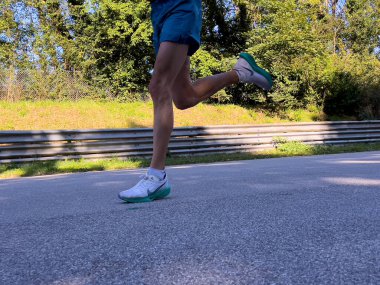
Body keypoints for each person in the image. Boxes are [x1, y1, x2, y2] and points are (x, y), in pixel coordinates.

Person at [118, 0, 273, 203]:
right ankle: (242, 72)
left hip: (180, 7)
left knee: (158, 86)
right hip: (159, 13)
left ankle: (156, 176)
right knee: (184, 97)